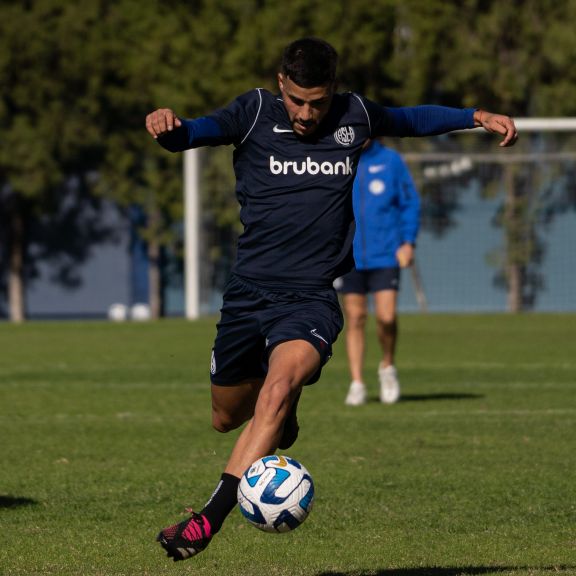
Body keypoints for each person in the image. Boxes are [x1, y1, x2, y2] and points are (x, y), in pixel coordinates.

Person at [145, 37, 517, 562]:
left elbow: (411, 119)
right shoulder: (253, 112)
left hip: (310, 299)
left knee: (274, 391)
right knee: (227, 418)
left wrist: (476, 115)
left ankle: (208, 518)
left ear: (333, 92)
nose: (306, 113)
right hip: (248, 295)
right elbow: (194, 132)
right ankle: (284, 412)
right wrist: (170, 127)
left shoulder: (355, 115)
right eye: (297, 100)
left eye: (317, 102)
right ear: (281, 84)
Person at [338, 139, 420, 406]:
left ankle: (387, 367)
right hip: (348, 255)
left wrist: (407, 241)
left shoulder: (391, 160)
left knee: (386, 317)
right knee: (356, 316)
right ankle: (357, 382)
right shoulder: (337, 157)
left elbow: (410, 202)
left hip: (386, 253)